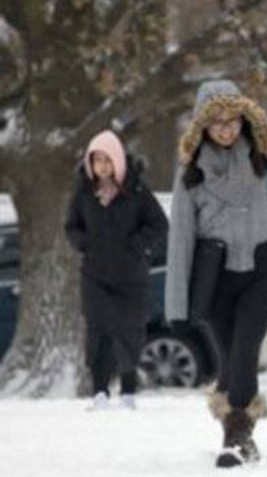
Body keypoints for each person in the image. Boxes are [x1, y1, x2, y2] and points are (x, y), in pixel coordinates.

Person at [165, 80, 267, 468]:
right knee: (229, 358)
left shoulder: (262, 158)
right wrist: (177, 306)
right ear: (202, 126)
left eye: (233, 120)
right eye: (216, 122)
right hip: (214, 276)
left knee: (245, 350)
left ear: (245, 118)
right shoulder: (190, 175)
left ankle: (236, 440)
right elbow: (180, 240)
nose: (226, 128)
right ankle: (238, 432)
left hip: (262, 270)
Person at [65, 129, 168, 411]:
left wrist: (137, 244)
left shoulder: (136, 191)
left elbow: (159, 225)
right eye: (97, 160)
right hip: (95, 276)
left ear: (119, 161)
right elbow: (71, 226)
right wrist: (83, 243)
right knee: (98, 332)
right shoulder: (84, 193)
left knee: (129, 331)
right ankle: (99, 392)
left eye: (108, 160)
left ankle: (128, 391)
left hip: (131, 277)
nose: (103, 167)